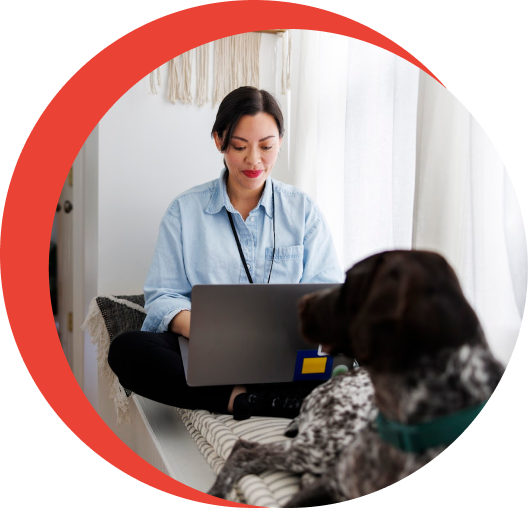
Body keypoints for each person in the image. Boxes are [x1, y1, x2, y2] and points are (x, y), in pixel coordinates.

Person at [108, 86, 343, 420]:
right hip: (207, 345)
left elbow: (329, 292)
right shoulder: (184, 211)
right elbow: (163, 295)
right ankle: (248, 400)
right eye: (239, 146)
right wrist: (208, 333)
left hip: (287, 350)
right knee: (127, 350)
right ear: (219, 140)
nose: (254, 160)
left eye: (267, 146)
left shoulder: (302, 210)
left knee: (363, 356)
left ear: (280, 141)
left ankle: (246, 396)